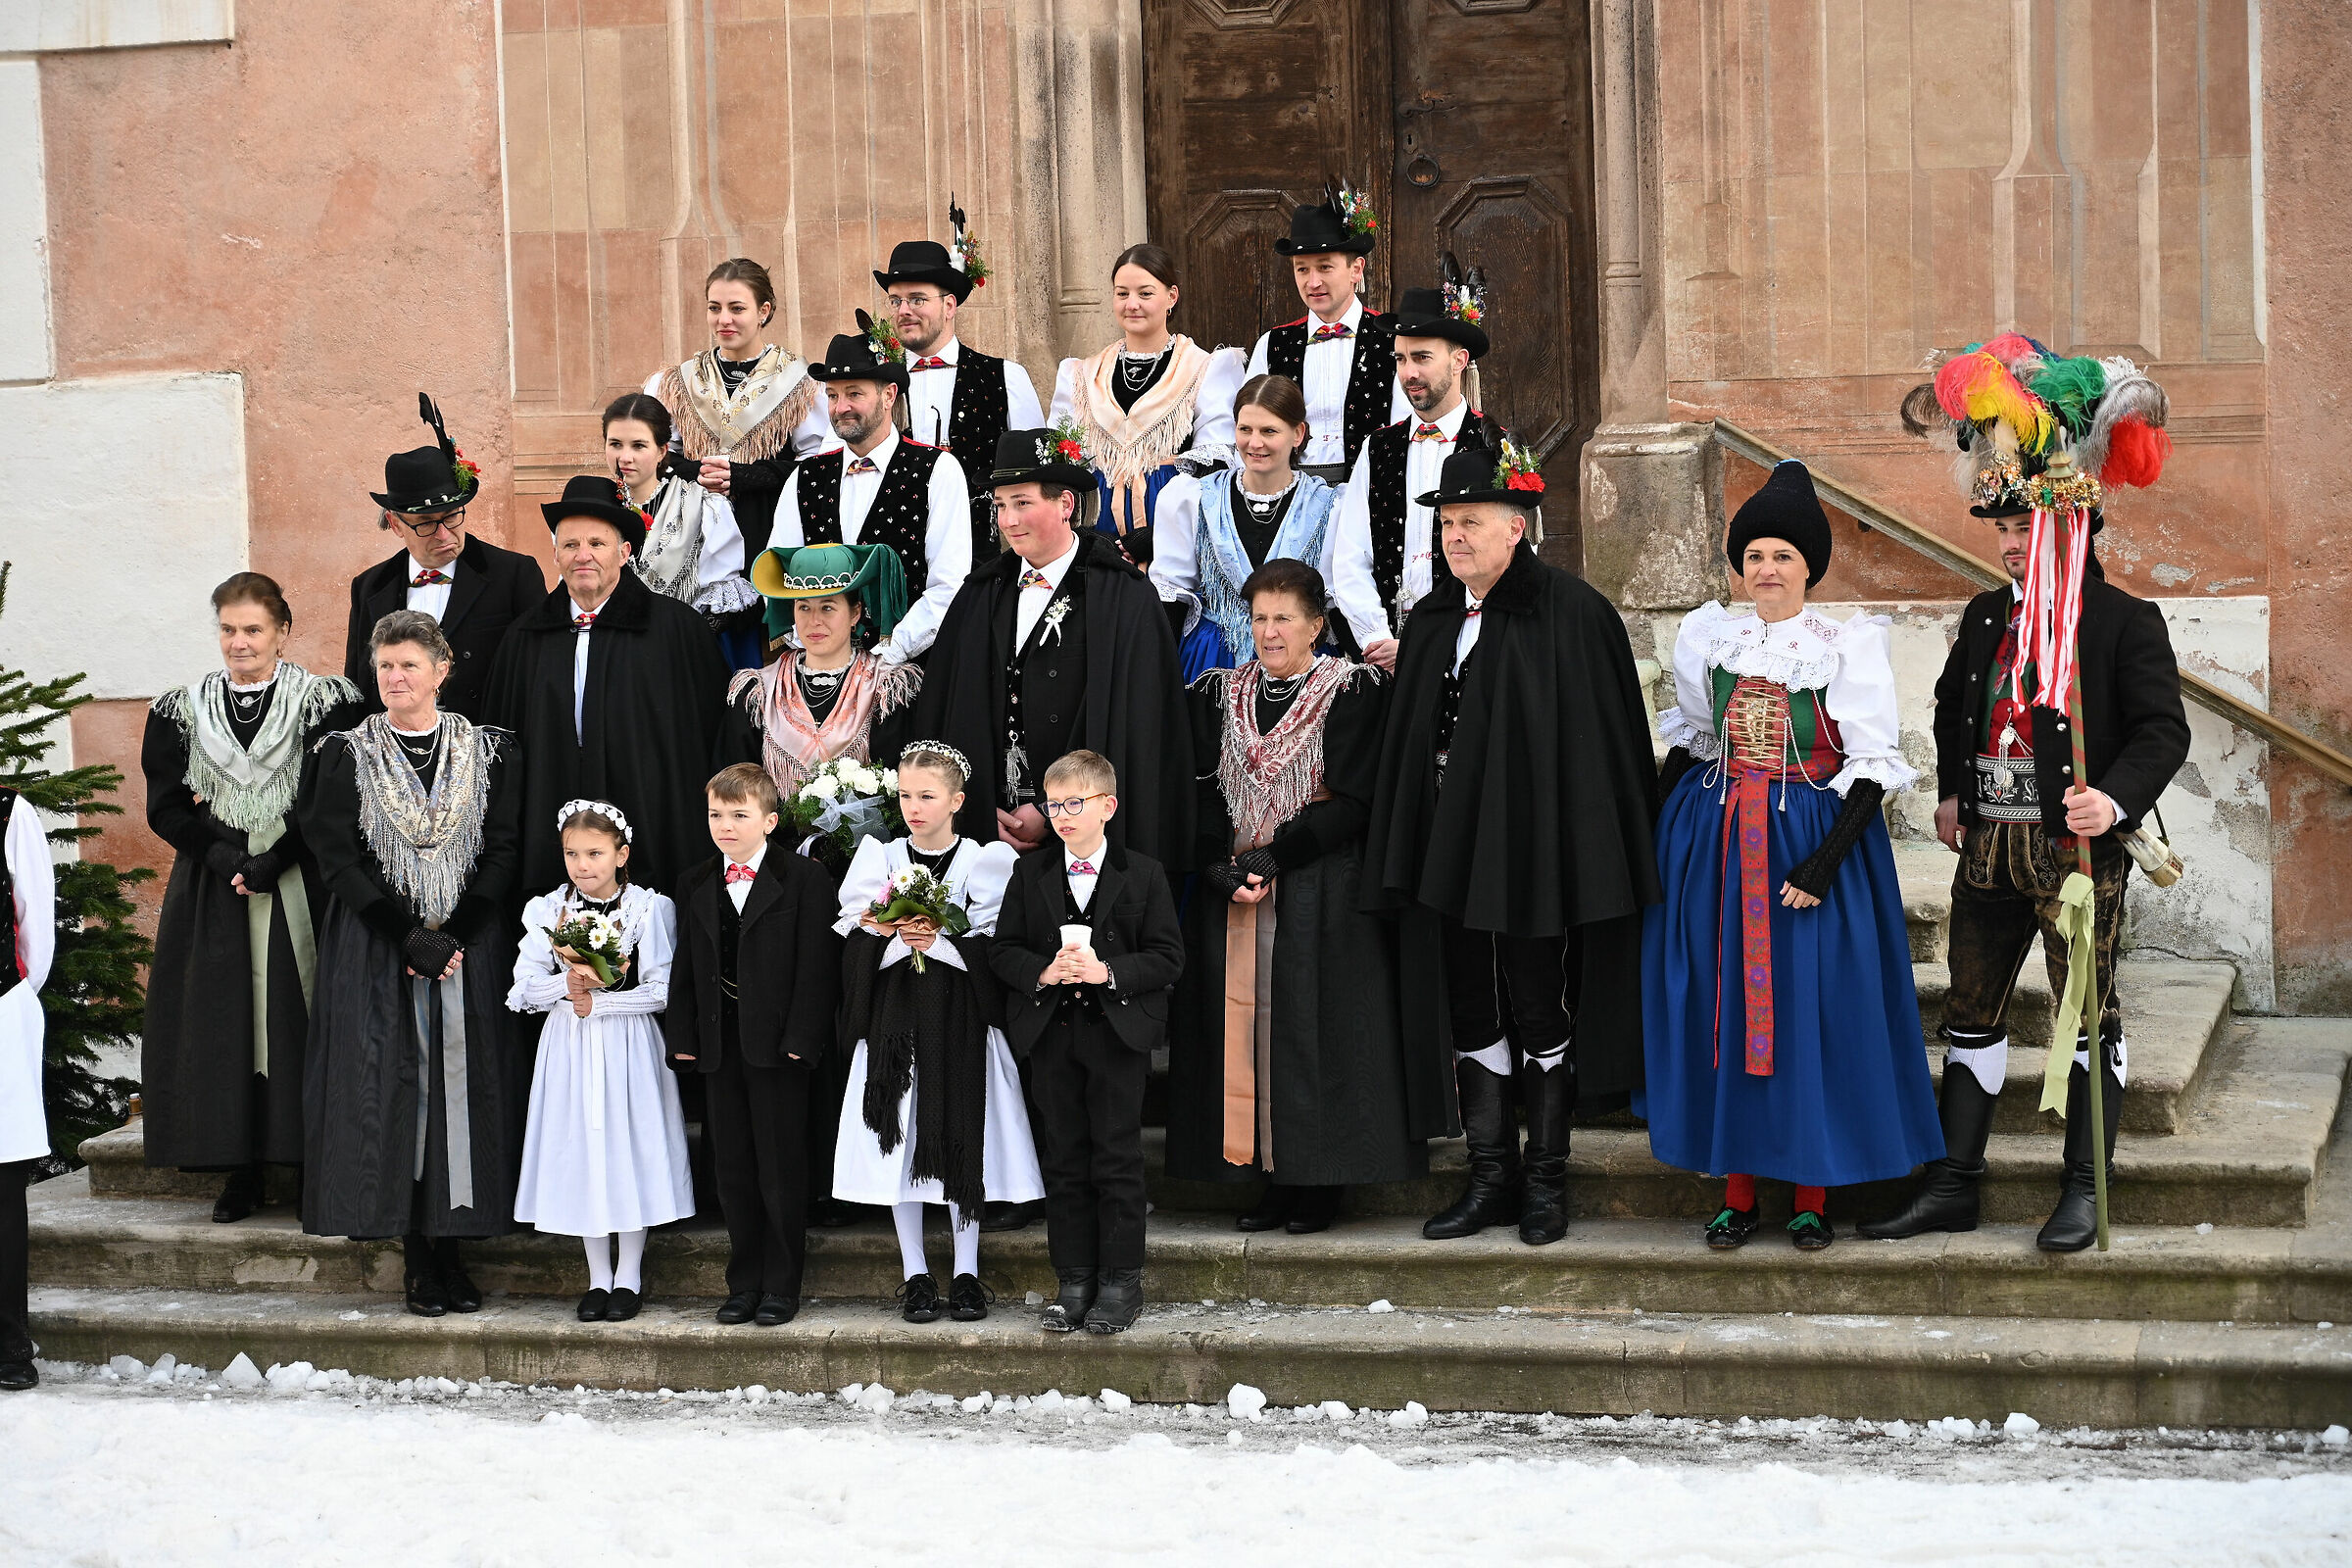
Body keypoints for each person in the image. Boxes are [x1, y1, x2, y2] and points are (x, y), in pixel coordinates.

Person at [1862, 344, 2190, 1251]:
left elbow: (2163, 732)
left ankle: (2084, 1185)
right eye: (2001, 528)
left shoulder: (2123, 620)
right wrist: (1952, 791)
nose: (2011, 543)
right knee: (1970, 1013)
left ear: (2071, 523)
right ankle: (1954, 1184)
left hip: (2074, 850)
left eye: (2025, 525)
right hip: (1987, 848)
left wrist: (2112, 801)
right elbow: (1952, 705)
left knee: (2086, 1013)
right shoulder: (1984, 615)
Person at [1361, 438, 1660, 1248]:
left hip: (1535, 853)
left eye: (1470, 521)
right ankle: (1490, 1177)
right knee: (1470, 1005)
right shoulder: (1432, 620)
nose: (1454, 536)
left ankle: (1545, 1182)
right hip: (1448, 848)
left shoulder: (1573, 613)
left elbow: (1602, 749)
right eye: (1445, 523)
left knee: (1538, 1003)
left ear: (1516, 527)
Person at [1642, 461, 1941, 1250]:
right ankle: (1738, 1193)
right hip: (1714, 842)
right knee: (1725, 1006)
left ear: (1809, 567)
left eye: (1782, 556)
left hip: (1805, 842)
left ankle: (1812, 1195)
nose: (1766, 569)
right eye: (1754, 557)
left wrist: (1822, 865)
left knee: (1809, 1009)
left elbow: (1871, 769)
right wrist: (1653, 838)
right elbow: (1695, 743)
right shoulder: (1712, 638)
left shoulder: (1845, 647)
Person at [1168, 561, 1426, 1234]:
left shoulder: (1352, 689)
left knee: (1311, 1030)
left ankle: (1317, 1183)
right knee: (1241, 1034)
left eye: (1284, 618)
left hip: (1319, 887)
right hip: (1236, 889)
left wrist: (1278, 856)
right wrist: (1216, 863)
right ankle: (1263, 1177)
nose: (1270, 631)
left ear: (1316, 625)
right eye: (1259, 618)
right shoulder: (1218, 692)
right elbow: (1201, 789)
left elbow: (1355, 800)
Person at [299, 611, 524, 1317]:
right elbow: (336, 854)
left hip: (467, 946)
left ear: (441, 670)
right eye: (385, 666)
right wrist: (406, 935)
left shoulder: (490, 751)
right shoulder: (344, 753)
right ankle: (417, 1258)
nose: (395, 678)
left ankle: (455, 1247)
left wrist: (454, 934)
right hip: (377, 947)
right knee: (392, 1090)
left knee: (464, 1088)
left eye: (409, 665)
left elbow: (504, 846)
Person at [142, 574, 363, 1222]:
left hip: (303, 877)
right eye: (229, 629)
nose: (240, 642)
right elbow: (164, 806)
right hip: (215, 888)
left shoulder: (326, 703)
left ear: (282, 632)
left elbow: (334, 794)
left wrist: (277, 858)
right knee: (224, 1017)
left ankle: (309, 1160)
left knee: (301, 1012)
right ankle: (240, 1168)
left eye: (254, 629)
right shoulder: (179, 710)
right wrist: (225, 859)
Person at [910, 429, 1194, 869]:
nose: (1008, 520)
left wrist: (1051, 810)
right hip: (989, 828)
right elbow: (949, 713)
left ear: (1065, 504)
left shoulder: (1125, 598)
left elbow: (1138, 730)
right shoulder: (978, 594)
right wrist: (978, 808)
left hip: (1085, 836)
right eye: (999, 505)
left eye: (1022, 503)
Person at [833, 743, 1043, 1323]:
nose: (913, 807)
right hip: (895, 1022)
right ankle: (916, 1274)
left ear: (957, 801)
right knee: (898, 1145)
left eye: (927, 796)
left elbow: (999, 945)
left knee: (961, 1135)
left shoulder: (984, 859)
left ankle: (967, 1273)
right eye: (905, 795)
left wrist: (941, 942)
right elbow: (852, 941)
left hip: (961, 1021)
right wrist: (889, 937)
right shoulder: (880, 856)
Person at [989, 751, 1184, 1334]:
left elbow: (1168, 957)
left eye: (1075, 803)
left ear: (1108, 806)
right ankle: (1073, 1279)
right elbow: (1003, 950)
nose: (1062, 816)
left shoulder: (1143, 873)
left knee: (1117, 1157)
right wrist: (1043, 972)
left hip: (1116, 1037)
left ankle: (1121, 1281)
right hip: (1052, 1035)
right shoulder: (1030, 873)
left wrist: (1109, 971)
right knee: (1065, 1157)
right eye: (1053, 806)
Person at [482, 473, 731, 902]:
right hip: (552, 810)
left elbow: (712, 736)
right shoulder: (524, 637)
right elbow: (499, 747)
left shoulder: (676, 630)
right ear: (555, 554)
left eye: (597, 544)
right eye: (571, 545)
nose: (583, 556)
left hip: (651, 813)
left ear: (624, 552)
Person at [665, 764, 844, 1327]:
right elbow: (686, 966)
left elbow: (817, 967)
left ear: (769, 820)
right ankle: (743, 1282)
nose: (725, 825)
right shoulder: (695, 881)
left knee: (780, 1167)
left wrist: (802, 1039)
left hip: (778, 1048)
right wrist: (684, 1035)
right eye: (716, 815)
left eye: (739, 815)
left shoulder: (805, 878)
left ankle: (782, 1285)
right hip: (719, 1046)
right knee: (733, 1168)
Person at [510, 801, 692, 1323]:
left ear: (621, 854)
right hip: (569, 1043)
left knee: (627, 1146)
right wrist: (566, 986)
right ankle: (597, 1276)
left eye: (594, 853)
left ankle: (629, 1273)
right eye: (572, 854)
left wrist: (603, 1001)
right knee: (584, 1148)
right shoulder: (548, 910)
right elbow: (522, 989)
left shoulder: (648, 909)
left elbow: (662, 990)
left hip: (628, 1044)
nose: (582, 865)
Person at [765, 316, 972, 663]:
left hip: (909, 670)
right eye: (832, 395)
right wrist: (819, 648)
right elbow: (777, 576)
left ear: (889, 395)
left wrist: (886, 655)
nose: (840, 407)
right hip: (820, 667)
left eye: (854, 394)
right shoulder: (804, 476)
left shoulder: (939, 470)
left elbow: (948, 585)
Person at [1328, 270, 1492, 670]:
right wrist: (1377, 637)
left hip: (1467, 655)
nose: (1408, 373)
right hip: (1383, 656)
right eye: (1400, 359)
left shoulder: (1493, 448)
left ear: (1458, 360)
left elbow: (1502, 565)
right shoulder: (1378, 448)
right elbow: (1350, 556)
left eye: (1422, 358)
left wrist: (1429, 647)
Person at [345, 395, 545, 719]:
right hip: (394, 745)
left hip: (485, 741)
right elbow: (359, 688)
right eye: (426, 523)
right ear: (396, 524)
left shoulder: (514, 574)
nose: (443, 534)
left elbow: (538, 676)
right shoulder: (369, 587)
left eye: (451, 517)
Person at [1048, 243, 1246, 555]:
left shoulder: (1204, 368)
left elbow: (1215, 465)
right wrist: (1083, 533)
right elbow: (1062, 458)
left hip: (1172, 531)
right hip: (1096, 535)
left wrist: (1161, 534)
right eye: (1122, 293)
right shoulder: (1083, 374)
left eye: (1145, 293)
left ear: (1171, 297)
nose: (1132, 304)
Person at [877, 206, 1046, 560]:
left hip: (979, 558)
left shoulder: (1005, 377)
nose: (903, 310)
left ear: (949, 306)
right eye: (895, 300)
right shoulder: (876, 383)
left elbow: (1034, 477)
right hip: (891, 555)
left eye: (917, 299)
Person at [1149, 374, 1345, 679]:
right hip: (1212, 661)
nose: (1254, 443)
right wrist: (1156, 677)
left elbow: (1336, 603)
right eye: (1245, 429)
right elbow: (1172, 596)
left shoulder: (1329, 506)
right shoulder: (1195, 497)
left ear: (1298, 434)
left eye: (1269, 431)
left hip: (1298, 663)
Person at [659, 258, 832, 555]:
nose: (723, 319)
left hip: (766, 528)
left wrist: (749, 477)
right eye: (715, 308)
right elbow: (658, 455)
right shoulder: (679, 381)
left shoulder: (800, 382)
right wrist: (698, 472)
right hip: (692, 535)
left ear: (763, 311)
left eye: (737, 308)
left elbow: (816, 464)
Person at [733, 542, 923, 812]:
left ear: (855, 613)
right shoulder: (759, 691)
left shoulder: (886, 689)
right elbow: (735, 789)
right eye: (803, 607)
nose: (814, 621)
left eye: (827, 607)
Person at [1244, 186, 1405, 484]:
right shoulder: (1273, 345)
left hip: (1372, 488)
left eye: (1325, 267)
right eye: (1302, 269)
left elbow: (1405, 427)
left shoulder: (1391, 339)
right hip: (1291, 492)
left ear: (1356, 269)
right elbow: (1250, 423)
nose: (1313, 282)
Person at [604, 391, 762, 671]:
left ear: (662, 451)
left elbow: (721, 604)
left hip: (680, 659)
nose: (624, 457)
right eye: (615, 444)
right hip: (609, 657)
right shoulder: (593, 507)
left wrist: (671, 643)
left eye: (638, 445)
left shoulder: (701, 505)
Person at [0, 783, 56, 1394]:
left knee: (1, 1184)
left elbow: (35, 922)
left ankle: (8, 1344)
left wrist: (13, 1000)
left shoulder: (9, 813)